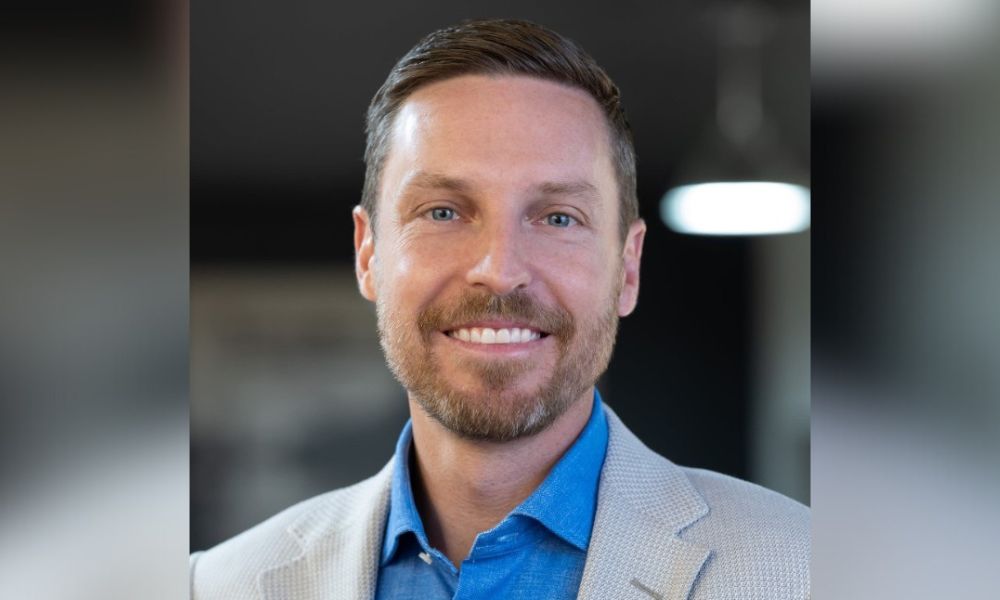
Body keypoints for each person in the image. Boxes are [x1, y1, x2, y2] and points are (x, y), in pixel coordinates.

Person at [190, 18, 809, 600]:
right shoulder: (212, 586)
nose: (500, 268)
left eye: (558, 217)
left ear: (627, 268)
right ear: (368, 254)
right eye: (442, 212)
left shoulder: (803, 571)